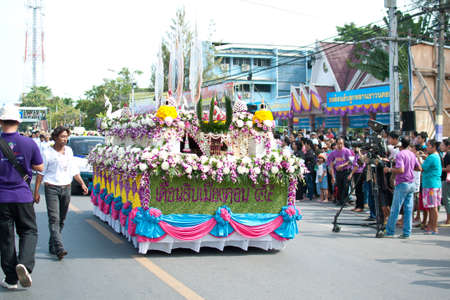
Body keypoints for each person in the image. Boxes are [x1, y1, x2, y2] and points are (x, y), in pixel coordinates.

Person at [0, 105, 44, 289]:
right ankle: (24, 264)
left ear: (1, 122)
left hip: (1, 199)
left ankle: (11, 279)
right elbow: (40, 167)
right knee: (28, 231)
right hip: (23, 196)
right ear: (18, 122)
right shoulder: (29, 143)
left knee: (6, 238)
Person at [33, 126, 88, 260]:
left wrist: (82, 183)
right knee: (54, 219)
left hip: (66, 188)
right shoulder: (47, 152)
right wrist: (36, 192)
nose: (65, 139)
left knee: (61, 219)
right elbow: (40, 173)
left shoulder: (69, 151)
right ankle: (59, 247)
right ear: (55, 137)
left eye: (66, 137)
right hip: (51, 188)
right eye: (62, 137)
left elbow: (74, 169)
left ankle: (52, 244)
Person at [384, 135, 422, 239]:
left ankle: (390, 232)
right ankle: (406, 232)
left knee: (395, 209)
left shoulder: (400, 154)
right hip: (411, 183)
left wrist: (389, 170)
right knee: (408, 210)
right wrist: (410, 168)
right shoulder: (412, 154)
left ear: (401, 143)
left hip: (402, 183)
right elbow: (419, 168)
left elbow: (400, 170)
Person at [420, 139, 442, 234]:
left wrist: (418, 158)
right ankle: (431, 226)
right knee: (432, 207)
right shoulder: (435, 156)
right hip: (433, 184)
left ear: (433, 147)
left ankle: (434, 227)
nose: (426, 147)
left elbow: (422, 168)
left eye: (428, 145)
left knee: (433, 208)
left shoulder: (432, 157)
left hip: (431, 185)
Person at [327, 137, 353, 206]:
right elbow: (330, 164)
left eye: (341, 144)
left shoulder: (347, 151)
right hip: (338, 172)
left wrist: (342, 165)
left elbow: (351, 161)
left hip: (346, 171)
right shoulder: (333, 153)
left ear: (343, 144)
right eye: (338, 144)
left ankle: (345, 201)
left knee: (346, 186)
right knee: (339, 186)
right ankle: (340, 201)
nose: (340, 145)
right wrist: (332, 176)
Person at [349, 147, 365, 212]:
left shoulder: (360, 155)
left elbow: (357, 166)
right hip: (356, 173)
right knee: (357, 191)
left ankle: (360, 206)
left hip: (359, 173)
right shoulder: (356, 155)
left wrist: (351, 174)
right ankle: (357, 205)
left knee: (359, 191)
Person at [442, 139, 450, 226]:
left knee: (447, 199)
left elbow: (448, 168)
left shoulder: (448, 154)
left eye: (443, 145)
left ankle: (448, 219)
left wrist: (439, 169)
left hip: (447, 179)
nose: (441, 146)